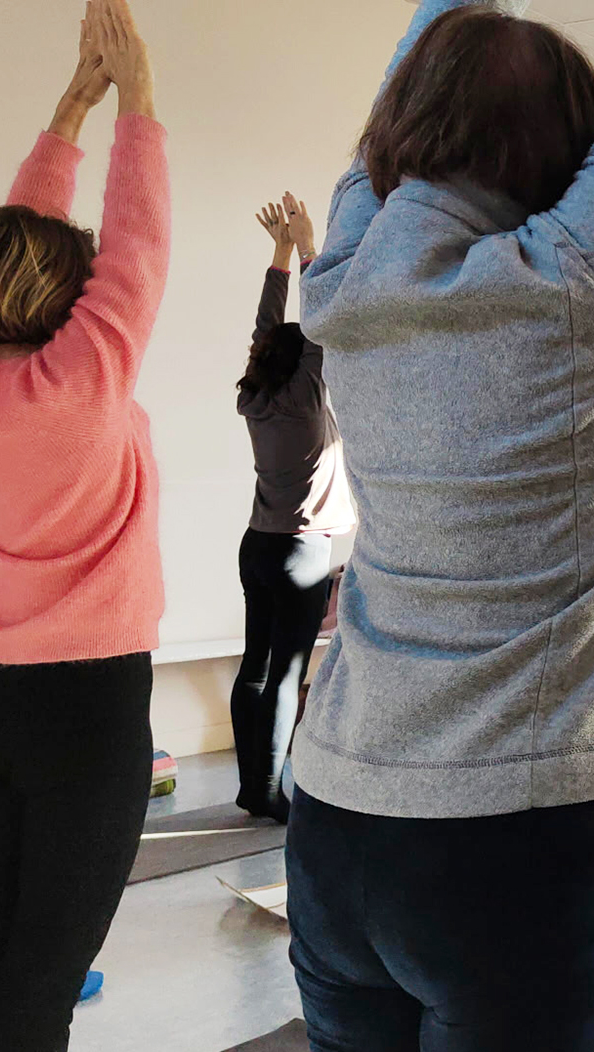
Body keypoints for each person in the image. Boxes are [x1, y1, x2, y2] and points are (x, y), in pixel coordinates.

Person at [283, 0, 594, 1052]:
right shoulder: (589, 286)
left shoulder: (342, 283)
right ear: (567, 154)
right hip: (527, 846)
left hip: (340, 822)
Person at [0, 2, 166, 1052]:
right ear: (63, 302)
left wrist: (73, 111)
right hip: (88, 715)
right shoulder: (83, 385)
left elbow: (37, 253)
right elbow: (141, 242)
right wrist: (139, 105)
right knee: (43, 976)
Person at [230, 195, 352, 825]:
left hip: (256, 545)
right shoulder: (308, 394)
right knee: (287, 674)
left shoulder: (256, 390)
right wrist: (308, 250)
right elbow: (321, 320)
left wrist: (278, 257)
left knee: (256, 664)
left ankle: (252, 787)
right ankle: (274, 793)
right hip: (302, 551)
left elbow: (267, 329)